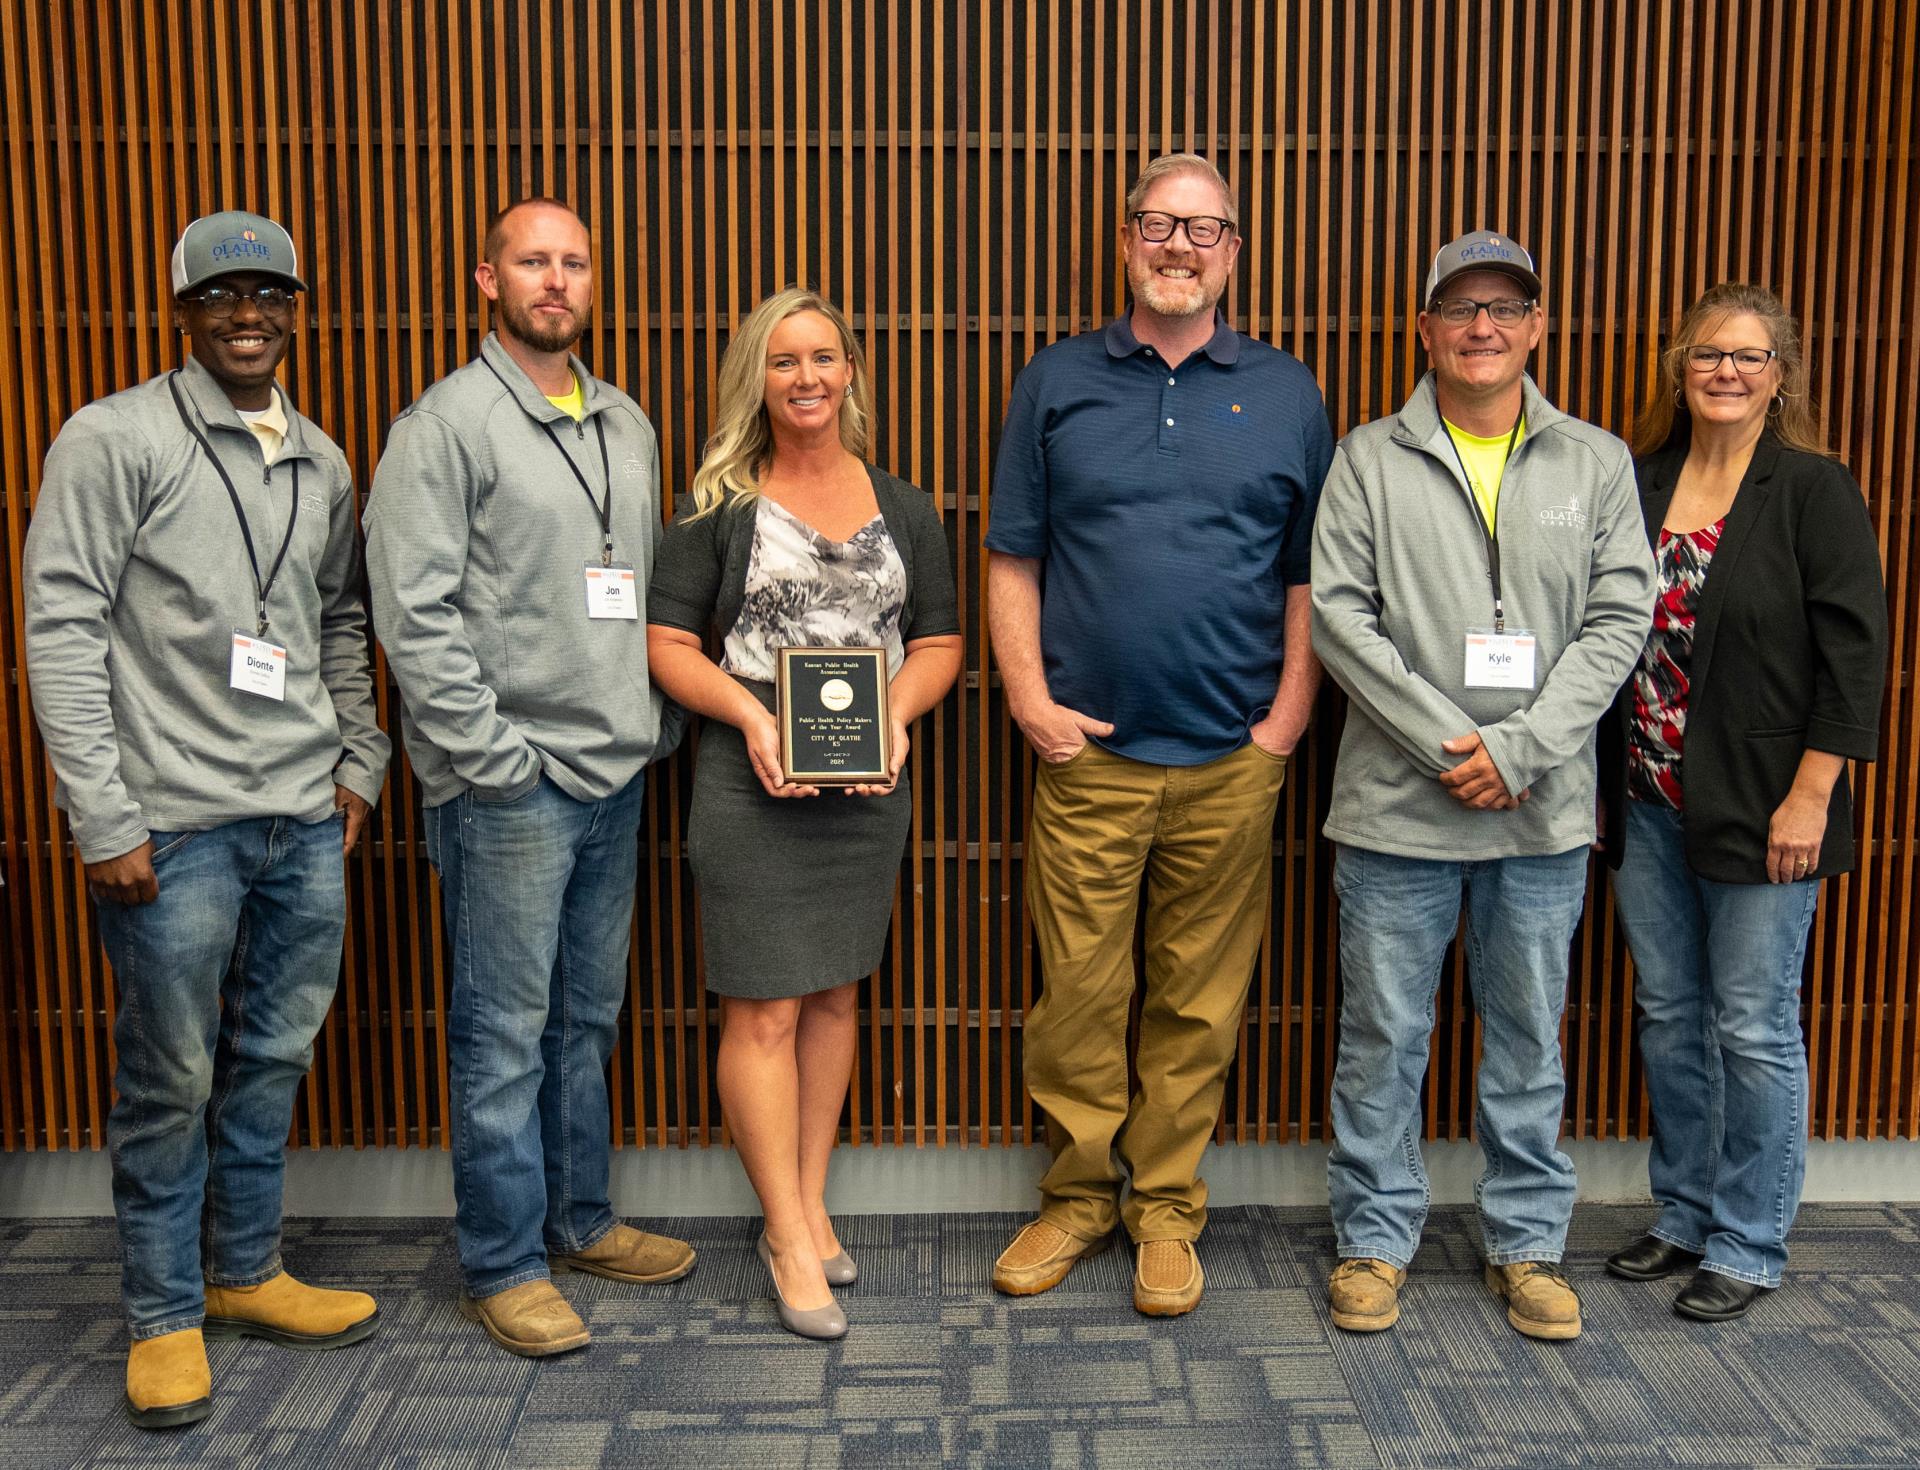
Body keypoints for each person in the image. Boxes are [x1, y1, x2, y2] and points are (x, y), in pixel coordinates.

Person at [23, 210, 391, 1428]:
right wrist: (101, 814)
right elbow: (61, 628)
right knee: (170, 1075)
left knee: (275, 1056)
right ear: (181, 311)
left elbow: (339, 618)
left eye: (270, 293)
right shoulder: (113, 437)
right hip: (170, 823)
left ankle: (245, 1271)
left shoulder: (325, 458)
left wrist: (360, 757)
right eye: (223, 294)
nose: (250, 313)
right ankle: (163, 1315)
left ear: (295, 310)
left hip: (299, 813)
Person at [984, 153, 1330, 1318]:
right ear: (1126, 240)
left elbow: (1308, 577)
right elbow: (1013, 555)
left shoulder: (1287, 392)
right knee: (1080, 995)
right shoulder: (1058, 379)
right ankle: (1080, 1198)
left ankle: (1167, 1210)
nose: (1179, 245)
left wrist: (1286, 722)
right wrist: (1029, 699)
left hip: (1234, 762)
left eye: (1204, 228)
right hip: (1088, 760)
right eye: (1158, 224)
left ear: (1236, 250)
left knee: (1198, 1003)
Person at [363, 198, 692, 1358]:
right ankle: (502, 1263)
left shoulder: (625, 420)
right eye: (532, 261)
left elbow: (635, 589)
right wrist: (496, 761)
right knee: (504, 1033)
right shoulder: (443, 426)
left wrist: (647, 726)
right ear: (484, 279)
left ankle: (580, 1219)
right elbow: (413, 616)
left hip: (618, 772)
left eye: (574, 262)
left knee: (586, 1021)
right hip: (511, 786)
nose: (555, 280)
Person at [1312, 230, 1655, 1341]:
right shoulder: (1370, 457)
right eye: (1460, 308)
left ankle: (1526, 1244)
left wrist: (1521, 752)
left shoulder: (1595, 463)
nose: (1483, 327)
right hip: (1397, 813)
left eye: (1507, 308)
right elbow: (1338, 618)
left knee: (1526, 1037)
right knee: (1383, 1037)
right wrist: (1453, 743)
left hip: (1541, 812)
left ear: (1538, 328)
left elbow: (1620, 621)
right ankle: (1373, 1239)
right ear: (1426, 328)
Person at [647, 288, 961, 1340]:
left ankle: (812, 1197)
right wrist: (751, 718)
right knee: (763, 1011)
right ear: (757, 381)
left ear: (853, 370)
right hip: (752, 781)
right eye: (784, 362)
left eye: (824, 357)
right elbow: (668, 644)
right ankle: (784, 1232)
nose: (808, 378)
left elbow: (939, 642)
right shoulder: (718, 508)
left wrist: (901, 723)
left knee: (834, 998)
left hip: (868, 789)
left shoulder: (904, 505)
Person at [1598, 284, 1887, 1321]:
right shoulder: (1635, 482)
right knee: (1672, 1018)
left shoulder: (1812, 489)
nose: (1726, 372)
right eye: (1708, 354)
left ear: (1781, 375)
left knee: (1755, 1028)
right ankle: (1682, 1216)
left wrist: (1813, 796)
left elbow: (1856, 664)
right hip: (1642, 798)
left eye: (1749, 357)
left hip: (1770, 806)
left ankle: (1751, 1240)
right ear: (1681, 368)